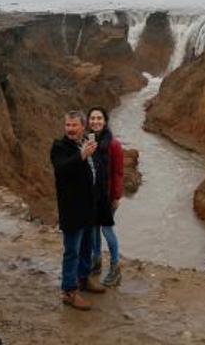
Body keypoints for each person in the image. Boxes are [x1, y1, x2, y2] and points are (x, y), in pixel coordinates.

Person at [50, 110, 106, 311]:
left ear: (83, 127)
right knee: (72, 251)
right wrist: (82, 155)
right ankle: (69, 291)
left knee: (86, 247)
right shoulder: (59, 147)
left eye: (74, 125)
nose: (70, 129)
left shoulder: (87, 144)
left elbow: (94, 173)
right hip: (72, 209)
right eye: (68, 125)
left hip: (88, 208)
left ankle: (84, 279)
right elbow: (62, 169)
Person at [87, 106, 124, 287]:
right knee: (93, 228)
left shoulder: (114, 145)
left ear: (105, 121)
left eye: (99, 118)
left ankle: (115, 268)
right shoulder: (88, 141)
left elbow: (118, 172)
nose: (95, 121)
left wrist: (116, 197)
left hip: (107, 196)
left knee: (106, 230)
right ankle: (96, 262)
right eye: (92, 118)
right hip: (91, 195)